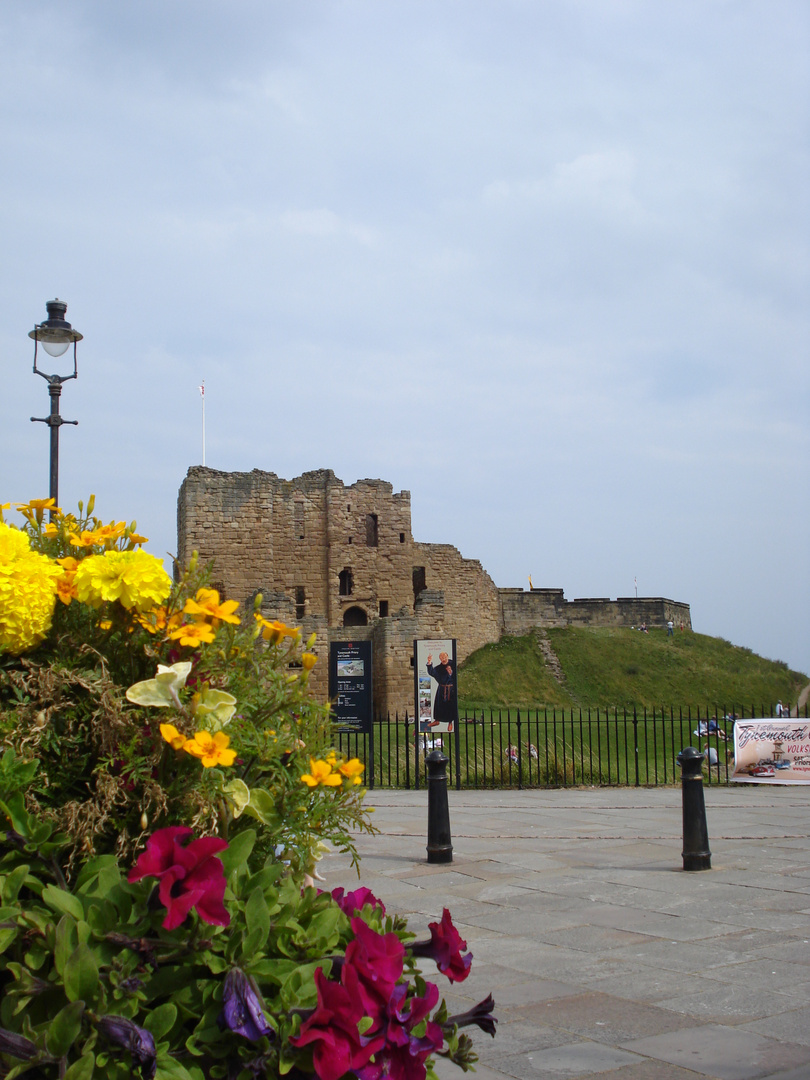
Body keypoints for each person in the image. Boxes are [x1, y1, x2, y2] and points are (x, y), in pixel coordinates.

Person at [426, 651, 457, 724]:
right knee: (439, 705)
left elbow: (456, 675)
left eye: (445, 657)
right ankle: (437, 720)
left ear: (448, 657)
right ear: (440, 659)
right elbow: (432, 672)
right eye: (442, 658)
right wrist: (429, 662)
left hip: (451, 689)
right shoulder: (439, 668)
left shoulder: (453, 664)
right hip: (442, 689)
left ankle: (450, 722)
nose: (444, 659)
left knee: (450, 705)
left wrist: (450, 673)